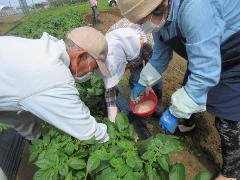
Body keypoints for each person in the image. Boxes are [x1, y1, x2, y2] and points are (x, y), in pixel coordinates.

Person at [117, 0, 240, 179]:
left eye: (143, 20)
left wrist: (175, 111)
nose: (142, 26)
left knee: (228, 114)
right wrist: (143, 82)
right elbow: (160, 55)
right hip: (204, 46)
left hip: (232, 49)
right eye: (139, 21)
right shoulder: (159, 20)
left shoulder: (194, 8)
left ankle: (232, 171)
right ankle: (188, 124)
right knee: (188, 88)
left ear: (163, 4)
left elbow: (205, 72)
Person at [0, 26, 110, 143]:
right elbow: (89, 132)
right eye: (93, 68)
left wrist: (35, 138)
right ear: (80, 57)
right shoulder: (52, 76)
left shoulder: (45, 48)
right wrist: (109, 138)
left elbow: (17, 107)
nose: (91, 73)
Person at [104, 18, 163, 122]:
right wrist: (111, 109)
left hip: (144, 51)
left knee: (155, 79)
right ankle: (139, 97)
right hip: (131, 54)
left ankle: (158, 98)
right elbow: (109, 84)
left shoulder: (147, 41)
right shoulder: (108, 49)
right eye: (123, 66)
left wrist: (148, 83)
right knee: (136, 77)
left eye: (125, 66)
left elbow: (154, 65)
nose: (124, 69)